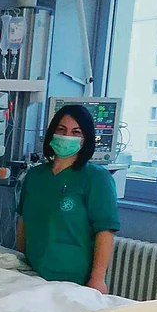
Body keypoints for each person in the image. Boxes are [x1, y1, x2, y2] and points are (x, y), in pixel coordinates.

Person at [16, 105, 121, 293]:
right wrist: (18, 262)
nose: (67, 136)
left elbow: (105, 231)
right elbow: (23, 223)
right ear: (52, 133)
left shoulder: (96, 178)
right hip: (32, 273)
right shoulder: (35, 176)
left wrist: (97, 279)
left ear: (85, 139)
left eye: (76, 132)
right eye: (61, 129)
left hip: (74, 278)